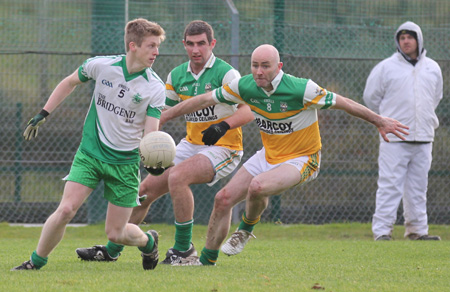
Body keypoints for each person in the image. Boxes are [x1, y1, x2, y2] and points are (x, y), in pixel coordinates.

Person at [158, 44, 409, 266]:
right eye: (255, 65)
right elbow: (204, 99)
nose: (259, 71)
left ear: (278, 67)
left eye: (265, 66)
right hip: (269, 154)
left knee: (257, 187)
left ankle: (245, 229)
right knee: (223, 198)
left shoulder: (302, 89)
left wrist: (379, 121)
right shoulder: (245, 86)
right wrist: (166, 115)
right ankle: (206, 261)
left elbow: (344, 103)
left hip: (302, 158)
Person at [75, 20, 253, 265]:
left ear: (212, 44)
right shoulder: (177, 75)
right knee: (144, 191)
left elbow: (248, 112)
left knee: (178, 176)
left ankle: (184, 250)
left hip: (224, 148)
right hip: (191, 144)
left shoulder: (226, 73)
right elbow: (160, 115)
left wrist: (223, 125)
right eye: (190, 44)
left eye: (201, 43)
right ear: (184, 45)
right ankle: (111, 250)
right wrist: (143, 144)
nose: (196, 50)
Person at [12, 18, 167, 271]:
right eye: (151, 46)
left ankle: (149, 242)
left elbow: (151, 132)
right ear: (133, 46)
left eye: (157, 46)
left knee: (116, 234)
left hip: (124, 163)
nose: (156, 52)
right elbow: (69, 82)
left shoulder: (155, 87)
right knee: (65, 211)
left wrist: (153, 160)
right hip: (90, 154)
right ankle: (35, 262)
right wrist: (44, 113)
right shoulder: (102, 66)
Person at [363, 21, 443, 241]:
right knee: (389, 186)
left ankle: (417, 231)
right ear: (397, 42)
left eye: (410, 37)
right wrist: (385, 121)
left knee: (418, 188)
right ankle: (382, 232)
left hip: (424, 137)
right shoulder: (385, 68)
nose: (406, 41)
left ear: (419, 39)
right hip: (394, 138)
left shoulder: (433, 68)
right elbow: (371, 98)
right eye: (402, 37)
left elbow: (435, 97)